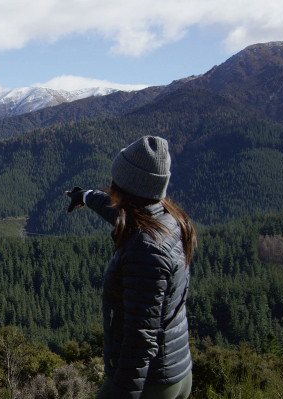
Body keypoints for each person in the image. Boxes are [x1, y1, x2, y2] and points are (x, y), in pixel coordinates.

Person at [66, 136, 196, 399]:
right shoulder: (165, 218)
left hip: (152, 382)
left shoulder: (145, 250)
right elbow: (117, 212)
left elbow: (140, 339)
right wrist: (86, 196)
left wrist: (123, 393)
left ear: (127, 187)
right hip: (174, 371)